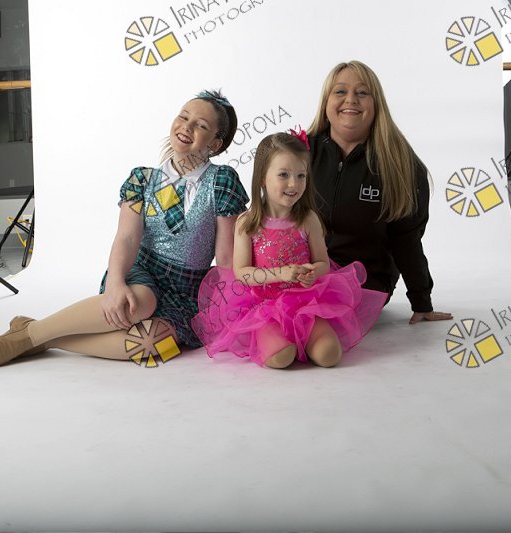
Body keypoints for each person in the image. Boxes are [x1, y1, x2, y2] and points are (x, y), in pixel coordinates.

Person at [0, 90, 249, 368]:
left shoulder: (221, 181)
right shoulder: (142, 179)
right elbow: (127, 237)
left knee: (150, 344)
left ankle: (47, 339)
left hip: (186, 290)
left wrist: (234, 302)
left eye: (201, 125)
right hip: (142, 271)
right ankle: (32, 334)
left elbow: (225, 256)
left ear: (215, 143)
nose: (187, 127)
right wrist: (116, 281)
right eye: (183, 117)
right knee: (141, 302)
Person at [191, 132, 387, 369]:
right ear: (262, 178)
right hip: (263, 307)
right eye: (283, 175)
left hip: (306, 302)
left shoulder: (308, 219)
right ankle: (280, 339)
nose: (294, 184)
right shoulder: (248, 223)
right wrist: (280, 274)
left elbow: (323, 263)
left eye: (301, 175)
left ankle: (304, 336)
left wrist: (313, 273)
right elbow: (242, 272)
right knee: (281, 358)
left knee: (329, 355)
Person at [307, 60, 451, 325]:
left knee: (313, 316)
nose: (351, 99)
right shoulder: (302, 152)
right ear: (326, 101)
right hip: (305, 271)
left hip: (365, 282)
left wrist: (421, 300)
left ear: (377, 105)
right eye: (340, 91)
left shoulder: (400, 164)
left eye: (362, 92)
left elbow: (406, 240)